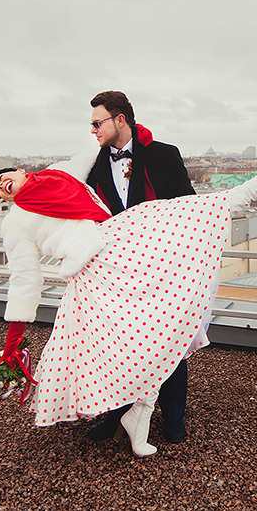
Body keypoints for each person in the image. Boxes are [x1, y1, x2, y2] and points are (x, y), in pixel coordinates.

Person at [0, 144, 257, 457]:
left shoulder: (60, 174)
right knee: (132, 347)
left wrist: (129, 131)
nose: (1, 186)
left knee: (182, 218)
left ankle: (256, 188)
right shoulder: (14, 223)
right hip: (93, 273)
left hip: (116, 244)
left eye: (3, 179)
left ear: (20, 172)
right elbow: (24, 279)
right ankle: (135, 416)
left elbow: (96, 147)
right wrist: (12, 343)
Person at [83, 91, 196, 444]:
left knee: (168, 343)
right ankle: (117, 415)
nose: (92, 130)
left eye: (97, 122)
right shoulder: (93, 163)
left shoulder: (164, 154)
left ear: (120, 120)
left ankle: (173, 417)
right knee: (120, 345)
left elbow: (187, 207)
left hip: (162, 268)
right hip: (118, 273)